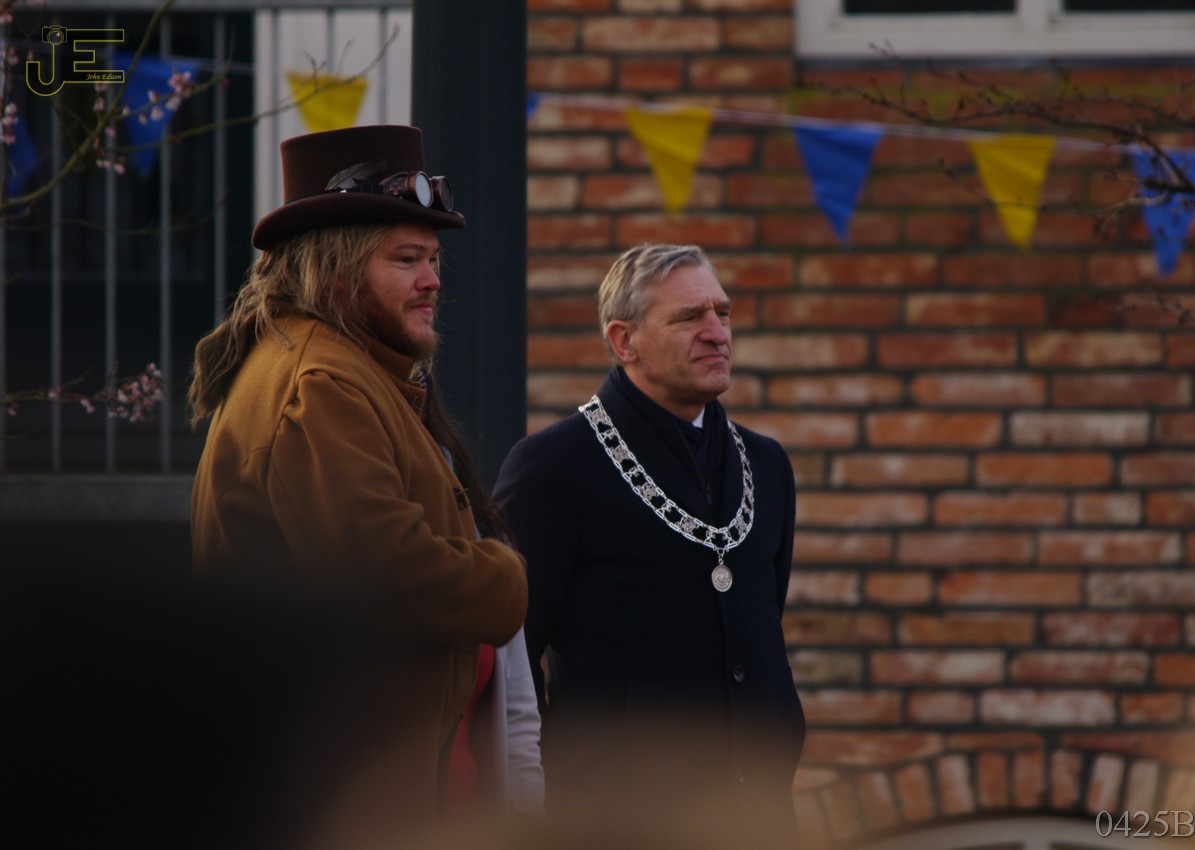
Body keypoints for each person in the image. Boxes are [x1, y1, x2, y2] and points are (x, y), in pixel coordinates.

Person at [187, 124, 531, 848]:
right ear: (335, 268)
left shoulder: (344, 368)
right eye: (406, 260)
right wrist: (504, 576)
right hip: (330, 800)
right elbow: (384, 571)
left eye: (433, 260)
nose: (433, 280)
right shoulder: (322, 383)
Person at [492, 243, 806, 833]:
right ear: (624, 341)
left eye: (722, 313)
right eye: (689, 318)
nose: (717, 333)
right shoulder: (553, 467)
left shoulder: (767, 465)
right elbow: (511, 660)